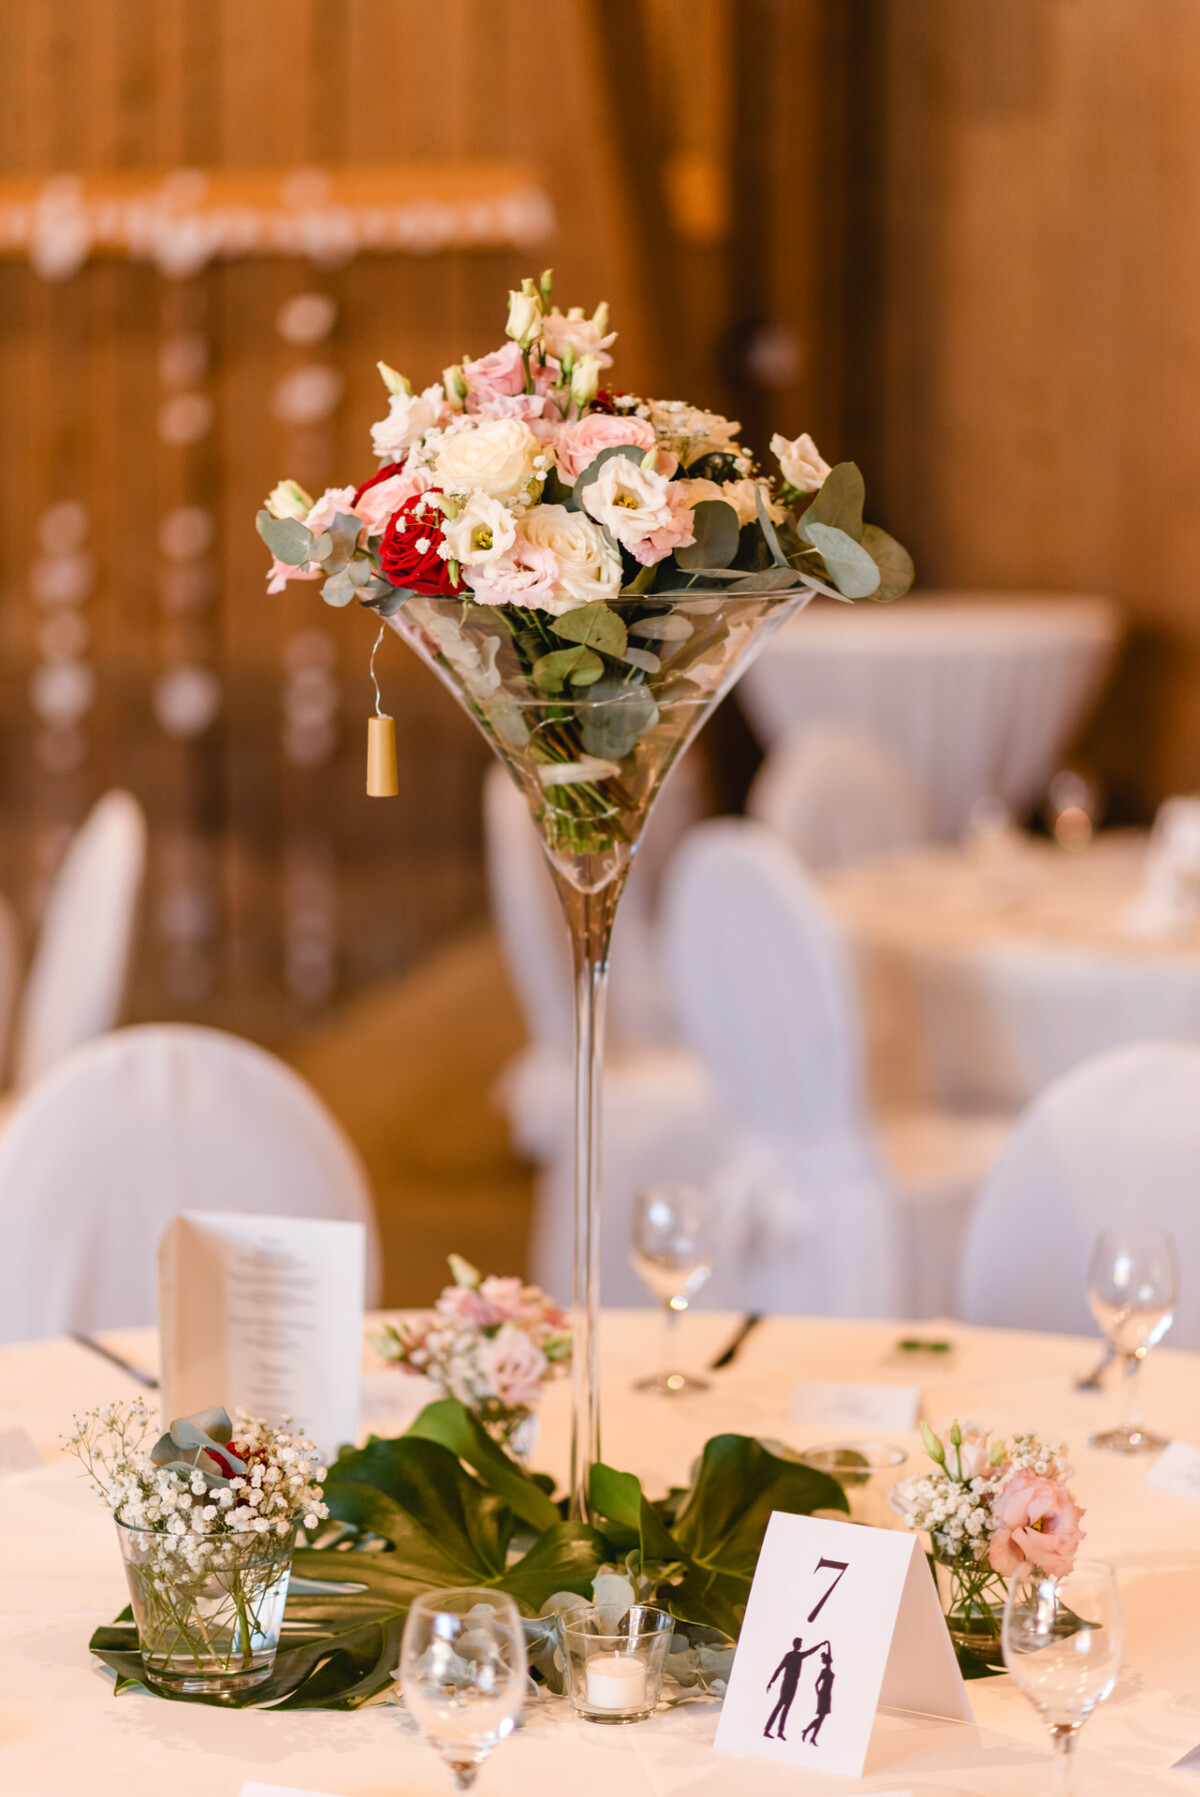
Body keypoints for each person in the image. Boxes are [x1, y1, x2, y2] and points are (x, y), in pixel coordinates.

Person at [764, 1635, 827, 1741]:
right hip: (787, 1683)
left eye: (801, 1644)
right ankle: (767, 1729)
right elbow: (779, 1669)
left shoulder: (799, 1655)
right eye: (799, 1643)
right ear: (796, 1644)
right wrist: (771, 1681)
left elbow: (810, 1651)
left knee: (786, 1708)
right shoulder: (790, 1656)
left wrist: (820, 1645)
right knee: (780, 1706)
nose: (801, 1645)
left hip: (793, 1684)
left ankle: (780, 1731)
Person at [801, 1644, 835, 1744]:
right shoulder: (824, 1671)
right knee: (820, 1718)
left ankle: (810, 1735)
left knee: (821, 1719)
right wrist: (819, 1694)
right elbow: (816, 1684)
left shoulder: (829, 1670)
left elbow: (830, 1654)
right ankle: (809, 1734)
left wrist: (829, 1644)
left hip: (827, 1695)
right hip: (823, 1695)